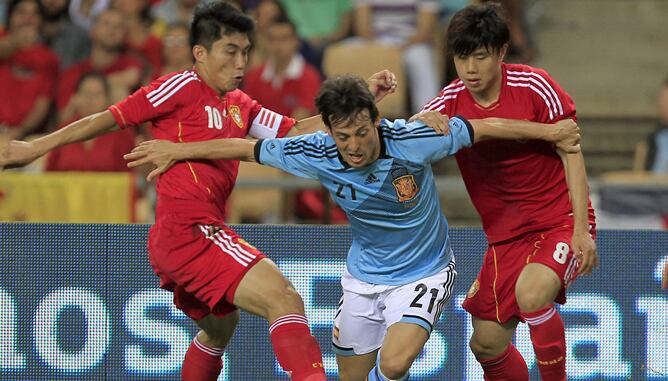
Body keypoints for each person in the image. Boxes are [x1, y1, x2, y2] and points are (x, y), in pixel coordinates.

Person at [0, 3, 397, 380]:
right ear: (200, 52)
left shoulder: (240, 104)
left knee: (220, 329)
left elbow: (292, 131)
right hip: (189, 231)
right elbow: (110, 118)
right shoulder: (179, 87)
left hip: (185, 238)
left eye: (245, 52)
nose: (240, 63)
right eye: (229, 51)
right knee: (285, 298)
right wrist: (35, 147)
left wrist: (357, 102)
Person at [123, 74, 580, 381]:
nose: (354, 146)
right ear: (330, 132)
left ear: (376, 121)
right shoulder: (316, 152)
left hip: (425, 271)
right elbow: (244, 147)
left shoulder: (414, 140)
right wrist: (176, 151)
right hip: (363, 279)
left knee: (396, 363)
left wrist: (551, 133)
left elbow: (485, 128)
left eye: (362, 132)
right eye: (343, 136)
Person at [422, 4, 598, 380]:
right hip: (505, 239)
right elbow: (407, 137)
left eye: (480, 57)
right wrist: (418, 122)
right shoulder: (449, 101)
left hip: (558, 220)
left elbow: (571, 150)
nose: (470, 69)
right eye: (461, 57)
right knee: (485, 344)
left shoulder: (536, 86)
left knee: (532, 295)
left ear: (501, 52)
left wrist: (581, 229)